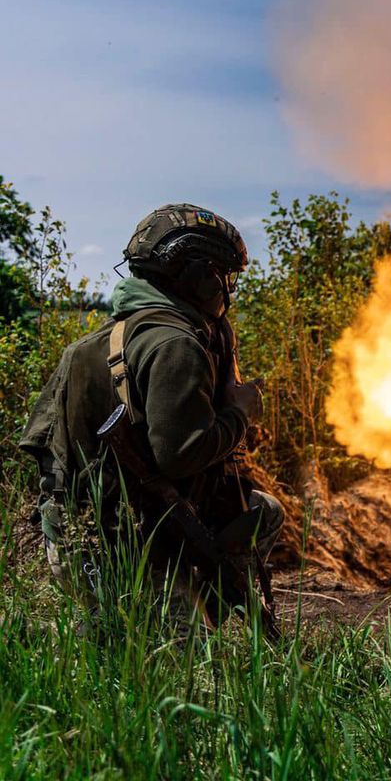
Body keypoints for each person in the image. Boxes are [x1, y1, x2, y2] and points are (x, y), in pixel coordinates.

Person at [19, 203, 282, 637]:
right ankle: (71, 633)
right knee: (184, 668)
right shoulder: (176, 345)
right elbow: (181, 455)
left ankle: (174, 612)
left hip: (82, 537)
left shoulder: (97, 342)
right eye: (222, 274)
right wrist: (241, 412)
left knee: (262, 512)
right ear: (198, 276)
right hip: (113, 550)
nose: (227, 289)